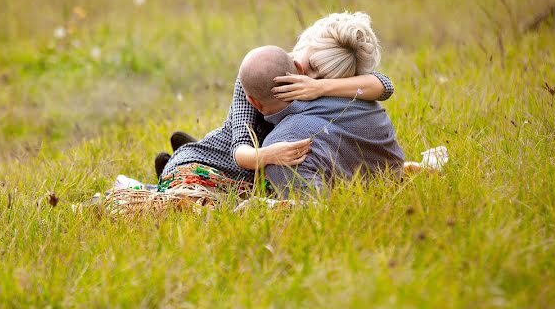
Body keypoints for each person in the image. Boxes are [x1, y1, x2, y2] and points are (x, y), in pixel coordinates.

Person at [155, 12, 394, 192]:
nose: (306, 78)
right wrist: (269, 155)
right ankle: (182, 159)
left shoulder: (322, 85)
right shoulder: (258, 71)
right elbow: (241, 145)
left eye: (322, 77)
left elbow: (384, 86)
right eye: (310, 67)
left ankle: (188, 152)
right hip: (246, 153)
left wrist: (319, 87)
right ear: (303, 45)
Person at [238, 46, 405, 198]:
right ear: (298, 68)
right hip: (393, 174)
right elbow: (239, 147)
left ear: (254, 102)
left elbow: (312, 206)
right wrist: (266, 154)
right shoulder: (355, 95)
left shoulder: (284, 152)